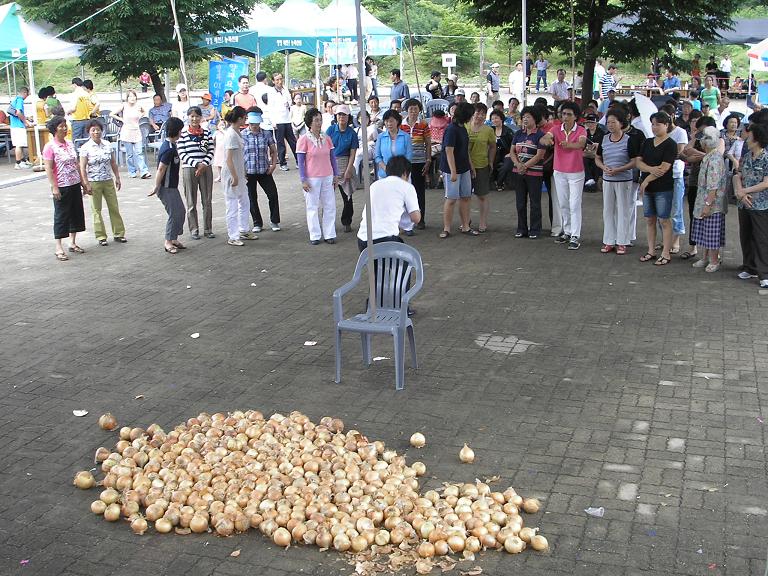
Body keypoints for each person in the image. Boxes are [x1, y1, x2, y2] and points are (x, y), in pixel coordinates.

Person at [540, 101, 587, 250]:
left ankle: (575, 235)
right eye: (563, 114)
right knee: (563, 203)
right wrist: (546, 140)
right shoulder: (555, 129)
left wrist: (569, 145)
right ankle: (567, 232)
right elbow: (544, 139)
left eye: (569, 114)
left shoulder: (581, 130)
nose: (565, 117)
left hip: (576, 172)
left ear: (576, 117)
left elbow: (582, 144)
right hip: (559, 171)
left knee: (574, 204)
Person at [636, 111, 677, 266]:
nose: (654, 127)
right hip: (648, 188)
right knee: (649, 219)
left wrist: (647, 179)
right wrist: (650, 170)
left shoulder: (671, 144)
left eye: (658, 124)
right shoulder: (647, 142)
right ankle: (651, 250)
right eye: (652, 124)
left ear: (666, 125)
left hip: (663, 187)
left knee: (664, 220)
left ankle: (666, 252)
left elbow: (664, 168)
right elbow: (638, 162)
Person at [595, 109, 639, 254]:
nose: (610, 125)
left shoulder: (629, 140)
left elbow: (634, 162)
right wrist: (604, 168)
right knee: (608, 210)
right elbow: (597, 158)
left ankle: (622, 241)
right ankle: (608, 240)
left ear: (621, 123)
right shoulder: (604, 138)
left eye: (613, 122)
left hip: (624, 180)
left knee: (623, 210)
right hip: (608, 179)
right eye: (608, 122)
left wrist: (619, 169)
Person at [357, 155, 421, 251]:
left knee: (379, 265)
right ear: (405, 173)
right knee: (406, 262)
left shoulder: (374, 185)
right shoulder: (407, 187)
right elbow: (416, 218)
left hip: (363, 240)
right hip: (386, 241)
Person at [43, 116, 86, 261]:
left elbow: (76, 164)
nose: (64, 128)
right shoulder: (50, 147)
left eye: (65, 126)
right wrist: (54, 186)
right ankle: (58, 247)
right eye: (61, 126)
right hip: (61, 185)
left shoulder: (69, 144)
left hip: (74, 183)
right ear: (55, 129)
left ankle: (72, 242)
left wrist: (83, 182)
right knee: (61, 215)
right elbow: (48, 168)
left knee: (76, 213)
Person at [78, 119, 125, 246]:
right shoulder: (85, 148)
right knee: (96, 210)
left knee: (114, 207)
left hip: (107, 179)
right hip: (94, 181)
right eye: (93, 130)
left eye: (98, 130)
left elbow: (113, 162)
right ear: (89, 132)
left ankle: (119, 233)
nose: (96, 132)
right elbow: (82, 167)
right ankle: (101, 236)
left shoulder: (107, 145)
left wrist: (117, 177)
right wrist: (86, 183)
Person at [297, 107, 339, 245]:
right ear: (309, 122)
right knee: (312, 207)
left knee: (330, 205)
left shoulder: (326, 138)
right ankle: (315, 235)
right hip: (312, 178)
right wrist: (303, 179)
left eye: (320, 120)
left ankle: (329, 234)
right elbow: (300, 161)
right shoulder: (303, 139)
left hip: (327, 175)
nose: (319, 123)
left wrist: (335, 174)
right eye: (316, 120)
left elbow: (332, 157)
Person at [734, 122, 768, 286]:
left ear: (757, 138)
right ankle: (749, 267)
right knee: (745, 235)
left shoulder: (766, 158)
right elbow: (738, 175)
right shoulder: (747, 156)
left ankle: (764, 273)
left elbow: (766, 183)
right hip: (744, 203)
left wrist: (745, 191)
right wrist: (740, 192)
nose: (746, 137)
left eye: (750, 135)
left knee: (760, 238)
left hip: (760, 204)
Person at [689, 126, 727, 272]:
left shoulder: (715, 159)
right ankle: (704, 258)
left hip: (712, 203)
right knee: (704, 231)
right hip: (704, 200)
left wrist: (707, 204)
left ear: (706, 143)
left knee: (711, 232)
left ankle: (714, 260)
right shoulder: (709, 157)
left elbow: (713, 185)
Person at [507, 106, 546, 237]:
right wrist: (518, 164)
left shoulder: (541, 135)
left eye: (528, 117)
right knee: (520, 202)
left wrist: (525, 166)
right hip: (518, 172)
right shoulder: (518, 134)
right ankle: (521, 228)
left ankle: (535, 230)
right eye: (523, 117)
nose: (525, 119)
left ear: (535, 119)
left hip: (534, 174)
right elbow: (512, 151)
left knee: (535, 202)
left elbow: (540, 155)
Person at [149, 117, 186, 254]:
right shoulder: (168, 149)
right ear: (177, 131)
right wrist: (156, 186)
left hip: (172, 186)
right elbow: (161, 169)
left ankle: (174, 238)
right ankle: (168, 241)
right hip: (166, 187)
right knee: (175, 213)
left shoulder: (172, 145)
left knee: (180, 211)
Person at [439, 102, 476, 238]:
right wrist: (453, 171)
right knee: (451, 198)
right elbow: (449, 151)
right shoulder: (451, 129)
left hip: (464, 167)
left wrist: (471, 166)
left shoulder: (463, 128)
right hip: (451, 169)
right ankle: (446, 228)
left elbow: (465, 150)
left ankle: (466, 226)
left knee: (466, 197)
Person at [177, 106, 214, 240]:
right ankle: (194, 229)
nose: (194, 118)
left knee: (207, 200)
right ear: (188, 117)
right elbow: (182, 153)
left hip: (206, 168)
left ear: (201, 117)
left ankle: (208, 229)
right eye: (191, 116)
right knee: (191, 201)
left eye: (197, 116)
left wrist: (204, 164)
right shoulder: (183, 134)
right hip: (189, 169)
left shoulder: (207, 133)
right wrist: (196, 164)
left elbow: (211, 150)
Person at [218, 106, 252, 246]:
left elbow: (239, 157)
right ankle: (233, 235)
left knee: (244, 201)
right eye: (244, 117)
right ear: (239, 119)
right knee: (232, 205)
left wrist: (242, 172)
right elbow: (228, 159)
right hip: (231, 174)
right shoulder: (231, 134)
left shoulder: (238, 132)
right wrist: (234, 176)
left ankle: (243, 229)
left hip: (239, 172)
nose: (246, 120)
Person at [242, 108, 280, 234]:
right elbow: (239, 154)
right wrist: (241, 171)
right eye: (252, 123)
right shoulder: (242, 135)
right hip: (249, 172)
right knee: (251, 198)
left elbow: (274, 151)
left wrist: (273, 165)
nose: (254, 126)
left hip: (264, 170)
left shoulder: (266, 134)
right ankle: (257, 222)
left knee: (273, 194)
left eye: (256, 123)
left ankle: (274, 220)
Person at [327, 104, 359, 233]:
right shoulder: (330, 130)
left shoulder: (352, 133)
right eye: (339, 114)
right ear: (336, 116)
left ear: (348, 117)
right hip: (330, 163)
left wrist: (349, 169)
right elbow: (326, 149)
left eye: (344, 115)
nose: (341, 117)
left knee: (347, 195)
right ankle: (327, 223)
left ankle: (347, 221)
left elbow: (353, 153)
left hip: (345, 162)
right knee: (327, 197)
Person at [401, 99, 431, 230]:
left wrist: (428, 160)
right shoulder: (401, 125)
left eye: (416, 109)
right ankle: (405, 222)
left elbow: (428, 144)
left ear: (419, 110)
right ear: (406, 110)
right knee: (404, 192)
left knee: (419, 191)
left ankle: (421, 219)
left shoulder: (423, 125)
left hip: (419, 162)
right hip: (404, 163)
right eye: (411, 109)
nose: (413, 111)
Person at [466, 102, 496, 232]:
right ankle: (466, 220)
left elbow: (493, 146)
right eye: (477, 112)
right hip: (465, 166)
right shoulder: (465, 127)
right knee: (465, 196)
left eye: (483, 114)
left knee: (482, 195)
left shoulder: (488, 130)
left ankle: (483, 222)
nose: (480, 116)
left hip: (481, 165)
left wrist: (491, 161)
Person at [110, 90, 151, 179]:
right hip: (126, 132)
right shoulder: (124, 106)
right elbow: (111, 114)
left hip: (136, 131)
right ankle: (132, 171)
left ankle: (144, 171)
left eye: (134, 96)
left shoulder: (138, 106)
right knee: (130, 154)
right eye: (130, 96)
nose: (132, 98)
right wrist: (121, 119)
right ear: (127, 98)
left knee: (139, 152)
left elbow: (144, 112)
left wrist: (140, 116)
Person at [267, 72, 298, 172]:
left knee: (293, 141)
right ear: (273, 81)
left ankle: (299, 161)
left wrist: (288, 103)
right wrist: (273, 122)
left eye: (281, 79)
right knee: (280, 144)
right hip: (278, 121)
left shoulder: (285, 90)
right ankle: (282, 163)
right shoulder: (271, 92)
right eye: (277, 80)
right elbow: (270, 108)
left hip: (287, 119)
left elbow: (289, 101)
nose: (279, 81)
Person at [375, 109, 413, 181]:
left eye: (391, 121)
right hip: (384, 174)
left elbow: (409, 156)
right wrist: (386, 168)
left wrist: (400, 171)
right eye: (386, 121)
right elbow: (377, 156)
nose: (389, 124)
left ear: (397, 121)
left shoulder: (406, 136)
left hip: (402, 174)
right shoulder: (380, 137)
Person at [489, 109, 514, 191]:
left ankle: (499, 183)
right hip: (494, 154)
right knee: (490, 164)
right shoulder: (490, 130)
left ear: (501, 119)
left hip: (506, 153)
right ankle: (491, 182)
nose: (494, 120)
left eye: (496, 118)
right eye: (492, 119)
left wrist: (511, 153)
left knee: (506, 166)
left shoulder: (508, 131)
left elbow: (514, 144)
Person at [8, 86, 32, 169]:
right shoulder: (20, 100)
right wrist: (25, 122)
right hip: (18, 126)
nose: (27, 96)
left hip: (14, 125)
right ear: (25, 93)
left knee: (19, 145)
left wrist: (26, 118)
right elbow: (18, 112)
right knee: (19, 145)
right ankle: (18, 163)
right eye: (27, 94)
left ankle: (22, 161)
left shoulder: (14, 100)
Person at [583, 112, 606, 190]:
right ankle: (589, 179)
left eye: (592, 122)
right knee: (583, 160)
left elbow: (604, 146)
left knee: (596, 161)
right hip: (587, 154)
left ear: (596, 123)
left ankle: (594, 182)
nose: (590, 124)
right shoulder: (584, 133)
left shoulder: (602, 133)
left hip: (598, 154)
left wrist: (598, 145)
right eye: (588, 122)